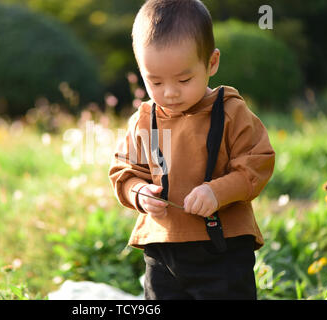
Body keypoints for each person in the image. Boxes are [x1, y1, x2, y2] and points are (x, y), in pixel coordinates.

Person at [108, 0, 275, 299]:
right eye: (155, 81)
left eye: (184, 79)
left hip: (223, 247)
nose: (169, 92)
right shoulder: (145, 120)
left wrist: (216, 192)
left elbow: (256, 163)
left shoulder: (230, 112)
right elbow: (125, 171)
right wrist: (139, 193)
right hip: (162, 248)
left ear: (211, 63)